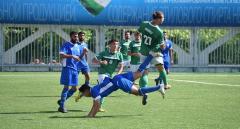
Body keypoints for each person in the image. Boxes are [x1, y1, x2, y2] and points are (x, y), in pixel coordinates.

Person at [77, 71, 165, 117]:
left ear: (86, 91)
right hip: (117, 79)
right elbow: (95, 104)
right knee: (139, 73)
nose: (84, 96)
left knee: (138, 92)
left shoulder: (94, 92)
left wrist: (91, 116)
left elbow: (96, 105)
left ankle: (159, 87)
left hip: (118, 82)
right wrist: (90, 114)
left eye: (83, 94)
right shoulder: (93, 90)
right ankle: (149, 57)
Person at [137, 11, 171, 90]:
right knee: (161, 68)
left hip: (144, 52)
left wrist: (144, 42)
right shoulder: (159, 32)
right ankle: (165, 85)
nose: (163, 20)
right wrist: (164, 45)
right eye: (162, 18)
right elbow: (162, 47)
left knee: (145, 72)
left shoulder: (144, 24)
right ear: (158, 19)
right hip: (154, 53)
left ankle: (143, 90)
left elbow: (137, 33)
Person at [57, 31, 86, 113]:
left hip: (75, 69)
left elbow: (78, 58)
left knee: (74, 88)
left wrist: (83, 53)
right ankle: (62, 106)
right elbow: (62, 55)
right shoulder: (66, 45)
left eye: (77, 36)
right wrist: (72, 56)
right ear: (71, 37)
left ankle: (61, 101)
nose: (76, 38)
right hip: (67, 68)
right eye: (75, 36)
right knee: (66, 87)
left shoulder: (78, 46)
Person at [92, 39, 124, 111]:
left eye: (117, 44)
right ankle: (98, 107)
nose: (115, 46)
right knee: (104, 89)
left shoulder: (119, 54)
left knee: (104, 90)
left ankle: (86, 90)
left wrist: (118, 74)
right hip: (102, 73)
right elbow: (93, 60)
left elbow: (121, 67)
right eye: (113, 44)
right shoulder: (104, 53)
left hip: (110, 75)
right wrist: (101, 62)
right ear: (109, 45)